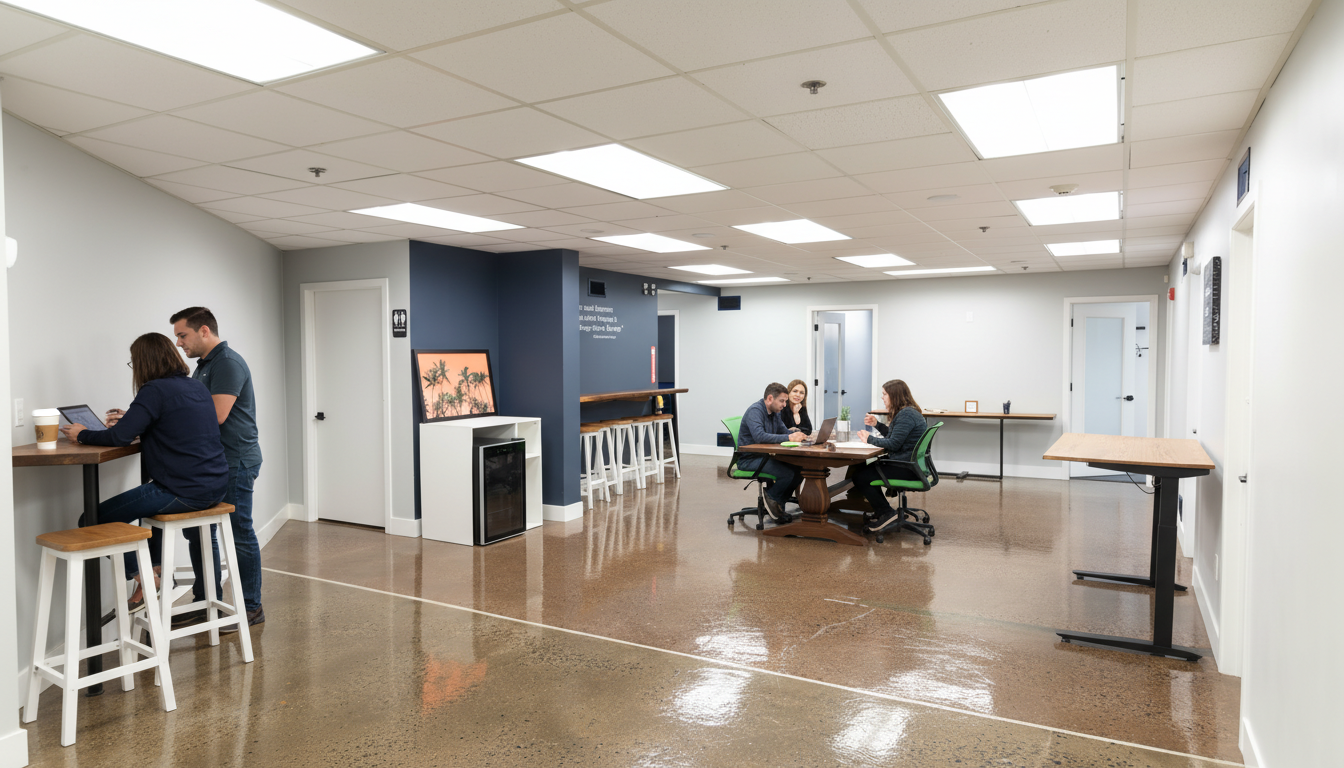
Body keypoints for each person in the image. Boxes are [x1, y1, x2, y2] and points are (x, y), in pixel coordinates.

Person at [111, 307, 265, 629]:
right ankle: (205, 600)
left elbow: (214, 415)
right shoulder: (203, 367)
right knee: (199, 535)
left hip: (235, 459)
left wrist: (148, 416)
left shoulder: (227, 363)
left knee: (240, 533)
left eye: (183, 335)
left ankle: (251, 607)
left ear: (204, 330)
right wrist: (141, 416)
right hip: (209, 464)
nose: (179, 343)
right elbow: (183, 412)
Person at [63, 333, 228, 610]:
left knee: (90, 519)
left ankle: (147, 578)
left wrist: (81, 434)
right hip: (215, 486)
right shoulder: (195, 387)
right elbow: (177, 426)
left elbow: (119, 438)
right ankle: (171, 581)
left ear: (144, 362)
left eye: (133, 362)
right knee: (154, 520)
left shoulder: (153, 390)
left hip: (181, 490)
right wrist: (134, 420)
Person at [853, 379, 928, 533]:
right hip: (909, 464)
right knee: (862, 469)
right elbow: (896, 437)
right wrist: (877, 425)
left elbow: (893, 444)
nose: (882, 397)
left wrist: (869, 439)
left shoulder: (906, 415)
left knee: (861, 476)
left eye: (885, 394)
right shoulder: (909, 412)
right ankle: (881, 510)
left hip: (906, 467)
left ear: (894, 395)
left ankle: (886, 513)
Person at [735, 382, 808, 521]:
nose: (785, 405)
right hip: (749, 459)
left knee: (800, 469)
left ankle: (777, 503)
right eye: (782, 401)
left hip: (764, 456)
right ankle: (772, 499)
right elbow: (760, 437)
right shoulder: (755, 411)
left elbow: (783, 431)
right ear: (770, 399)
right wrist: (789, 437)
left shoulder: (775, 412)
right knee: (787, 474)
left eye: (785, 401)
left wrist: (801, 436)